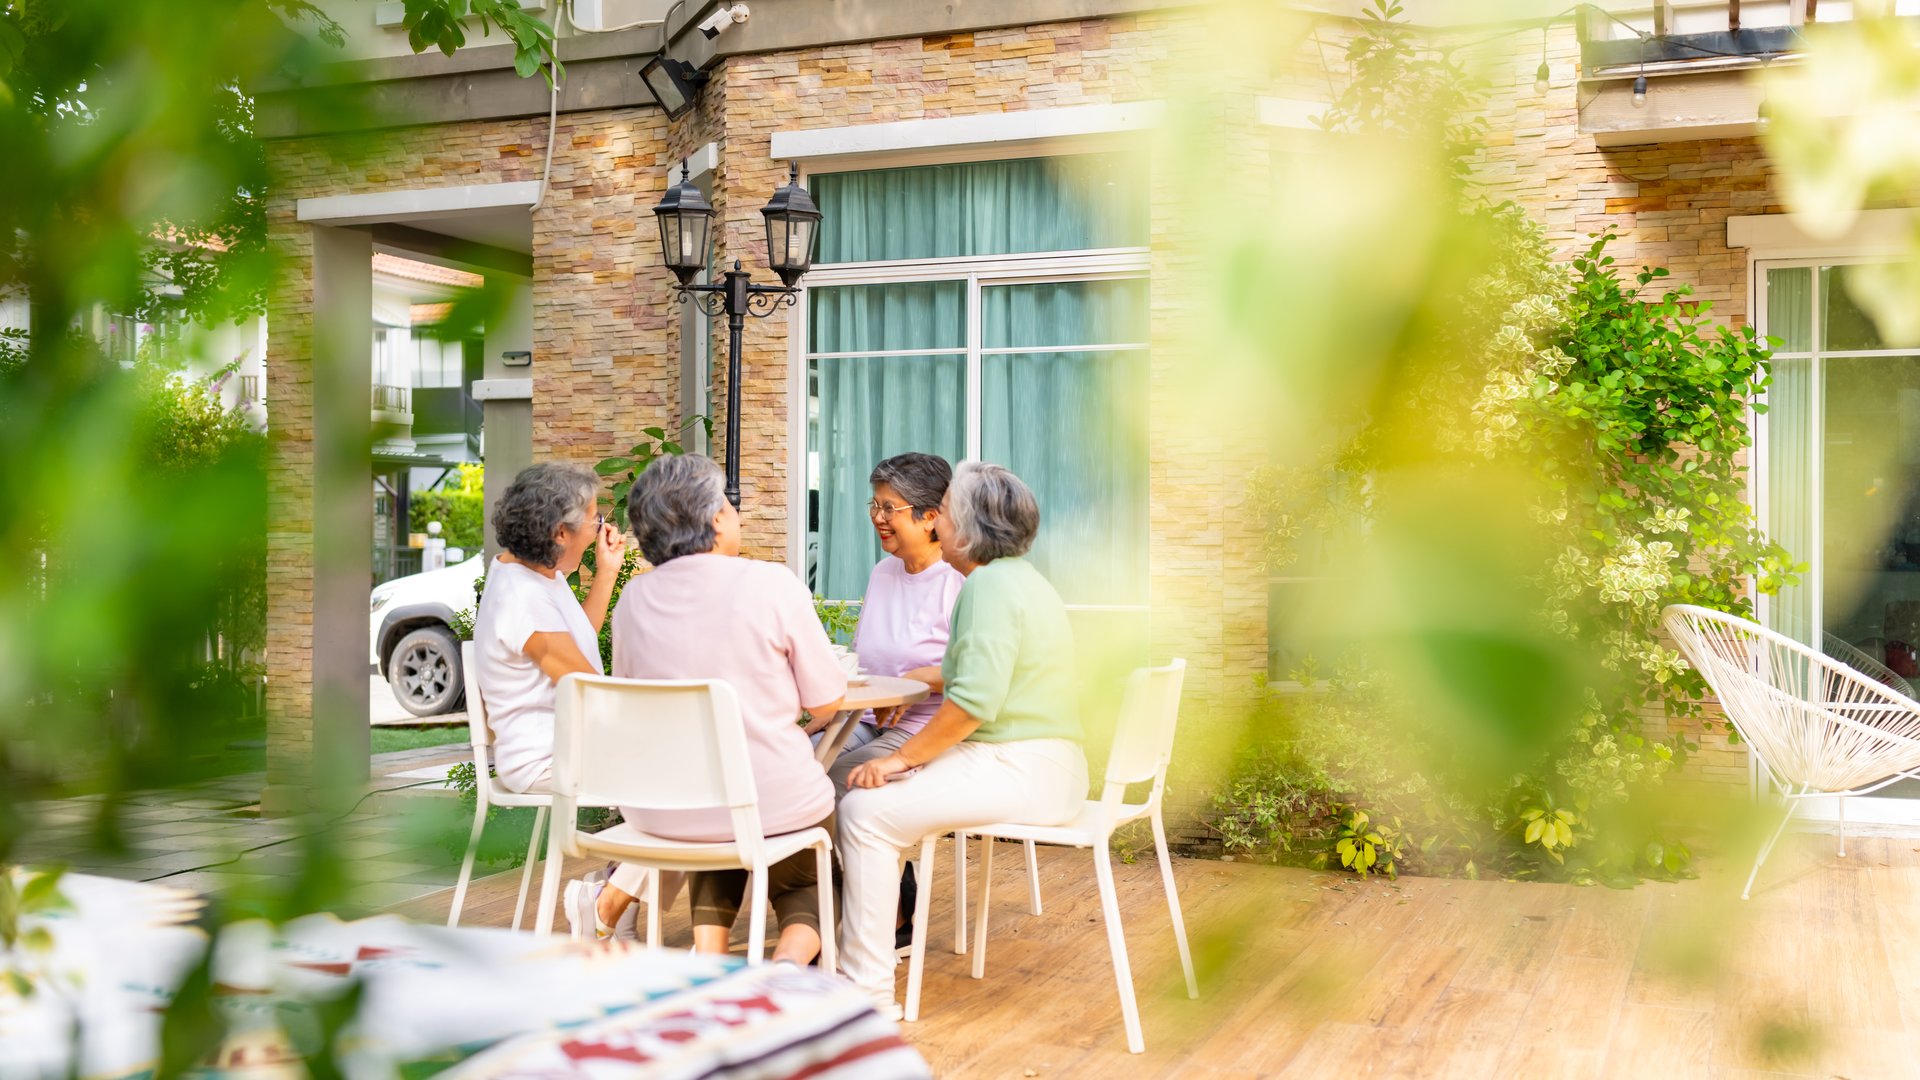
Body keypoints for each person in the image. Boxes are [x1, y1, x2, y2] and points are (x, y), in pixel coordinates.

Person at [834, 461, 1089, 1018]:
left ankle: (865, 992)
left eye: (945, 513)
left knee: (863, 813)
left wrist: (898, 760)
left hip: (1021, 766)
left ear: (969, 528)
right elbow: (970, 682)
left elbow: (973, 703)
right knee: (864, 805)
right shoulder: (1017, 579)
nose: (938, 522)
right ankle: (861, 974)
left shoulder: (989, 588)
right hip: (1035, 763)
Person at [611, 453, 847, 965]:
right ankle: (784, 967)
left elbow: (629, 700)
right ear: (716, 518)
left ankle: (711, 957)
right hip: (771, 802)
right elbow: (827, 699)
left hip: (665, 808)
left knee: (715, 814)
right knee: (808, 876)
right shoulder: (772, 583)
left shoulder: (632, 598)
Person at [470, 462, 665, 941]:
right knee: (687, 787)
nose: (600, 528)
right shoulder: (522, 598)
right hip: (544, 757)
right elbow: (589, 689)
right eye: (595, 520)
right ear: (560, 532)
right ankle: (608, 903)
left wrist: (607, 573)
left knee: (685, 779)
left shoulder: (539, 574)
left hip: (572, 743)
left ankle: (611, 898)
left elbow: (578, 643)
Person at [806, 452, 964, 799]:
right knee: (794, 766)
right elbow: (867, 661)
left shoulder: (959, 579)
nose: (878, 517)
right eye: (874, 506)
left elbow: (976, 673)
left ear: (930, 517)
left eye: (890, 508)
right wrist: (835, 709)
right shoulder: (883, 572)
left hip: (922, 727)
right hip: (863, 718)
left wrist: (917, 679)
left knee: (837, 781)